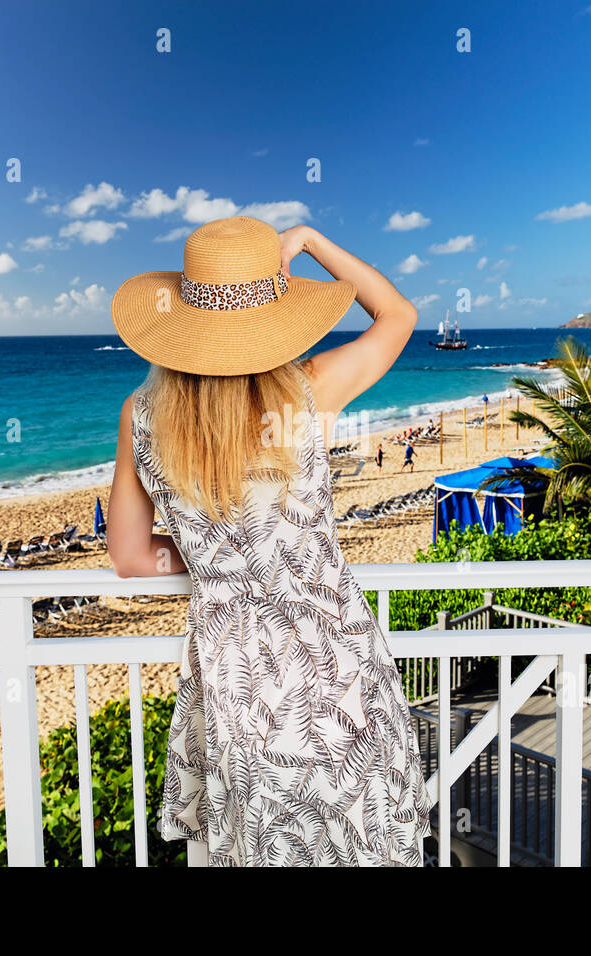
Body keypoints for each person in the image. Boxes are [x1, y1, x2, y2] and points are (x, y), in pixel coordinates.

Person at [106, 217, 432, 866]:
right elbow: (397, 314)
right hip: (337, 672)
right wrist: (310, 240)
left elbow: (131, 555)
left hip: (239, 687)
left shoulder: (142, 415)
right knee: (359, 842)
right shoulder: (312, 391)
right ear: (276, 313)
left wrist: (213, 564)